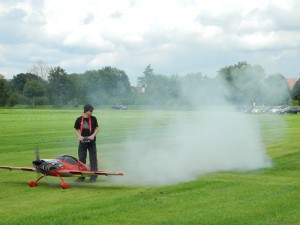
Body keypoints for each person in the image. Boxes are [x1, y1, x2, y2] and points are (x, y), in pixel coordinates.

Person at [74, 104, 99, 182]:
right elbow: (75, 128)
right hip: (82, 142)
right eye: (90, 110)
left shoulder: (94, 118)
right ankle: (81, 177)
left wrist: (93, 135)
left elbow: (97, 128)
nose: (92, 112)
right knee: (81, 159)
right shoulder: (79, 119)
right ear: (86, 110)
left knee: (93, 159)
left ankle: (93, 177)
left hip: (92, 142)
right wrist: (79, 136)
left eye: (92, 110)